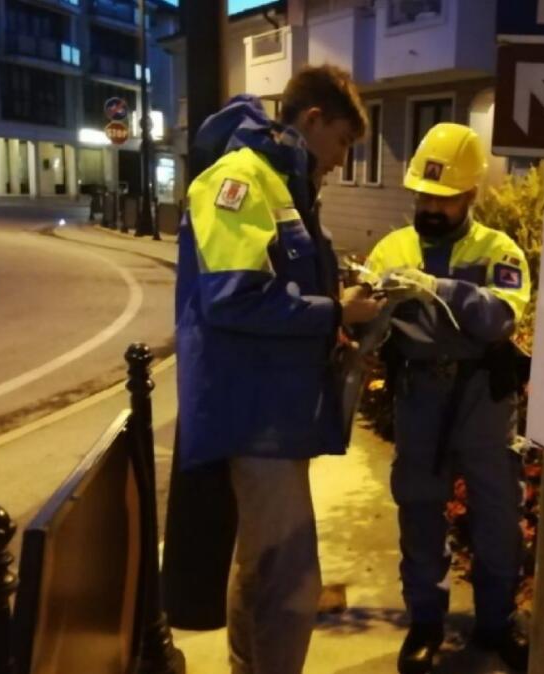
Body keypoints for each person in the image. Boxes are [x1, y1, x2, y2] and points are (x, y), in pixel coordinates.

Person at [174, 65, 383, 674]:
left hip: (275, 408)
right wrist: (335, 310)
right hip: (253, 412)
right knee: (289, 579)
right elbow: (234, 296)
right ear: (311, 119)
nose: (343, 161)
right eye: (343, 142)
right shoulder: (240, 180)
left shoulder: (286, 184)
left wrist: (338, 298)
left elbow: (278, 280)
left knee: (262, 566)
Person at [365, 123, 532, 674]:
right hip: (419, 397)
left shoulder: (497, 251)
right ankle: (426, 623)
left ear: (470, 195)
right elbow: (371, 322)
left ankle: (494, 624)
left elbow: (499, 320)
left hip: (482, 399)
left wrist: (437, 290)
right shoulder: (393, 248)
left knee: (496, 517)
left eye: (443, 199)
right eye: (423, 196)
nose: (430, 207)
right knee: (419, 512)